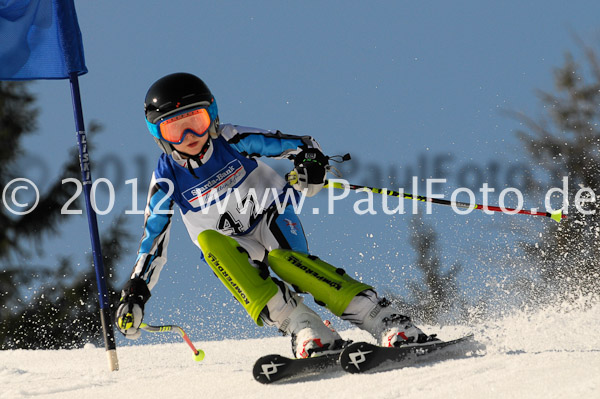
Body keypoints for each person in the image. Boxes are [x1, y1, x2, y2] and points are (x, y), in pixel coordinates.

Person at [115, 72, 435, 358]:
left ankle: (384, 319)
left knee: (288, 263)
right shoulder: (166, 179)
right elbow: (153, 243)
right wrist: (136, 293)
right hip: (232, 245)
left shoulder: (230, 140)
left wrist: (311, 164)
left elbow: (299, 145)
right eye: (175, 130)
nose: (189, 138)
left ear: (211, 116)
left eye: (195, 122)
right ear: (159, 135)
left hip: (272, 214)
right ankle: (304, 326)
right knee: (210, 243)